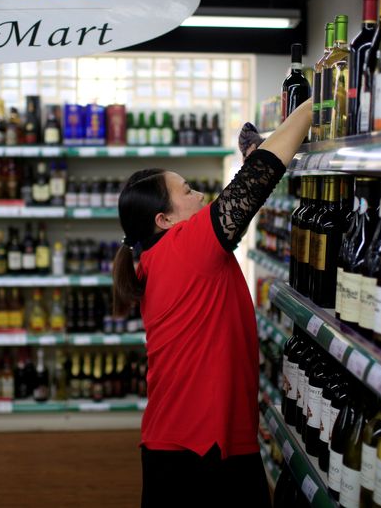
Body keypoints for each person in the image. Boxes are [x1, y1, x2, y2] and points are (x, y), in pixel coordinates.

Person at [112, 99, 313, 507]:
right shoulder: (185, 248)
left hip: (184, 443)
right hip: (201, 450)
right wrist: (316, 102)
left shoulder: (160, 257)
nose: (201, 194)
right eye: (186, 191)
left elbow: (240, 200)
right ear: (164, 220)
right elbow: (257, 181)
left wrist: (253, 156)